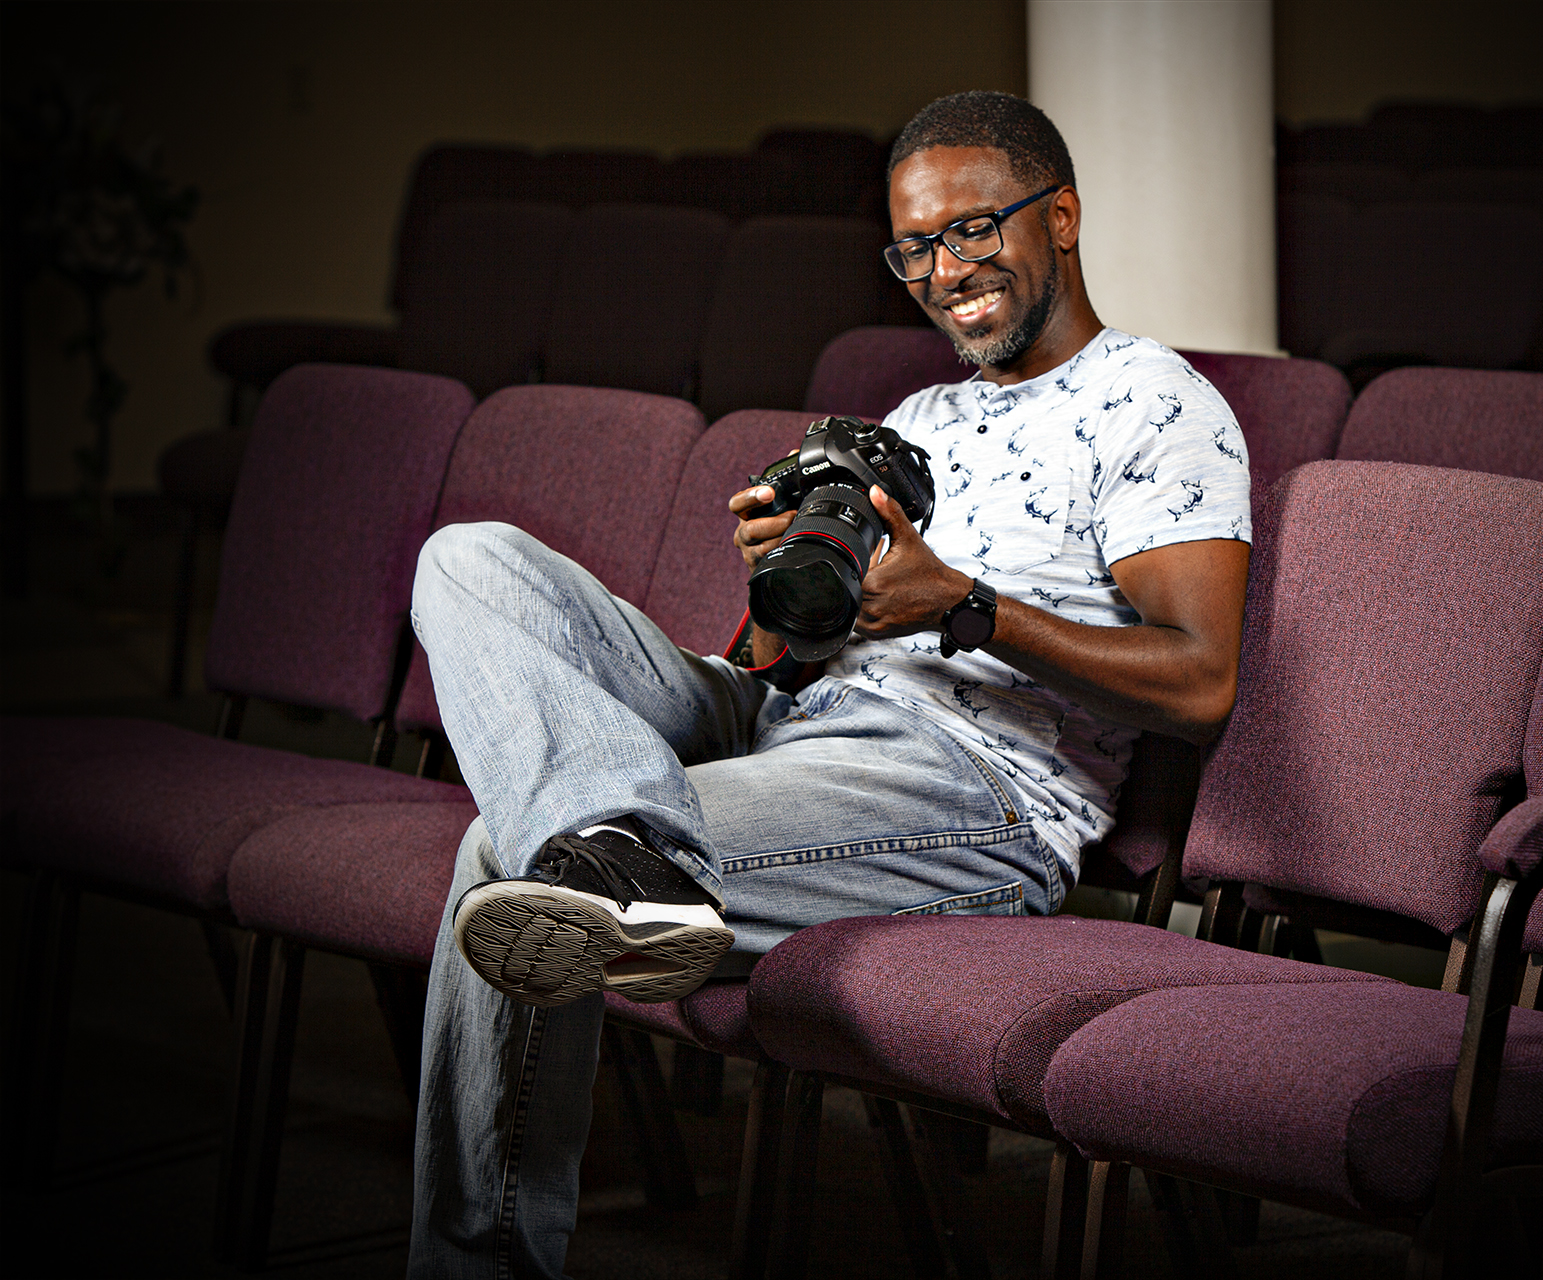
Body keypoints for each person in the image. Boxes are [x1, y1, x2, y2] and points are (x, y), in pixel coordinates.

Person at [407, 90, 1252, 1277]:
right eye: (913, 246)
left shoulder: (1159, 404)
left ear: (1060, 217)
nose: (942, 270)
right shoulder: (914, 417)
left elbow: (1201, 680)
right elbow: (787, 660)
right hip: (787, 716)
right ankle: (618, 843)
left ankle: (601, 877)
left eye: (972, 229)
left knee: (504, 861)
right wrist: (781, 595)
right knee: (469, 558)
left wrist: (963, 603)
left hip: (971, 784)